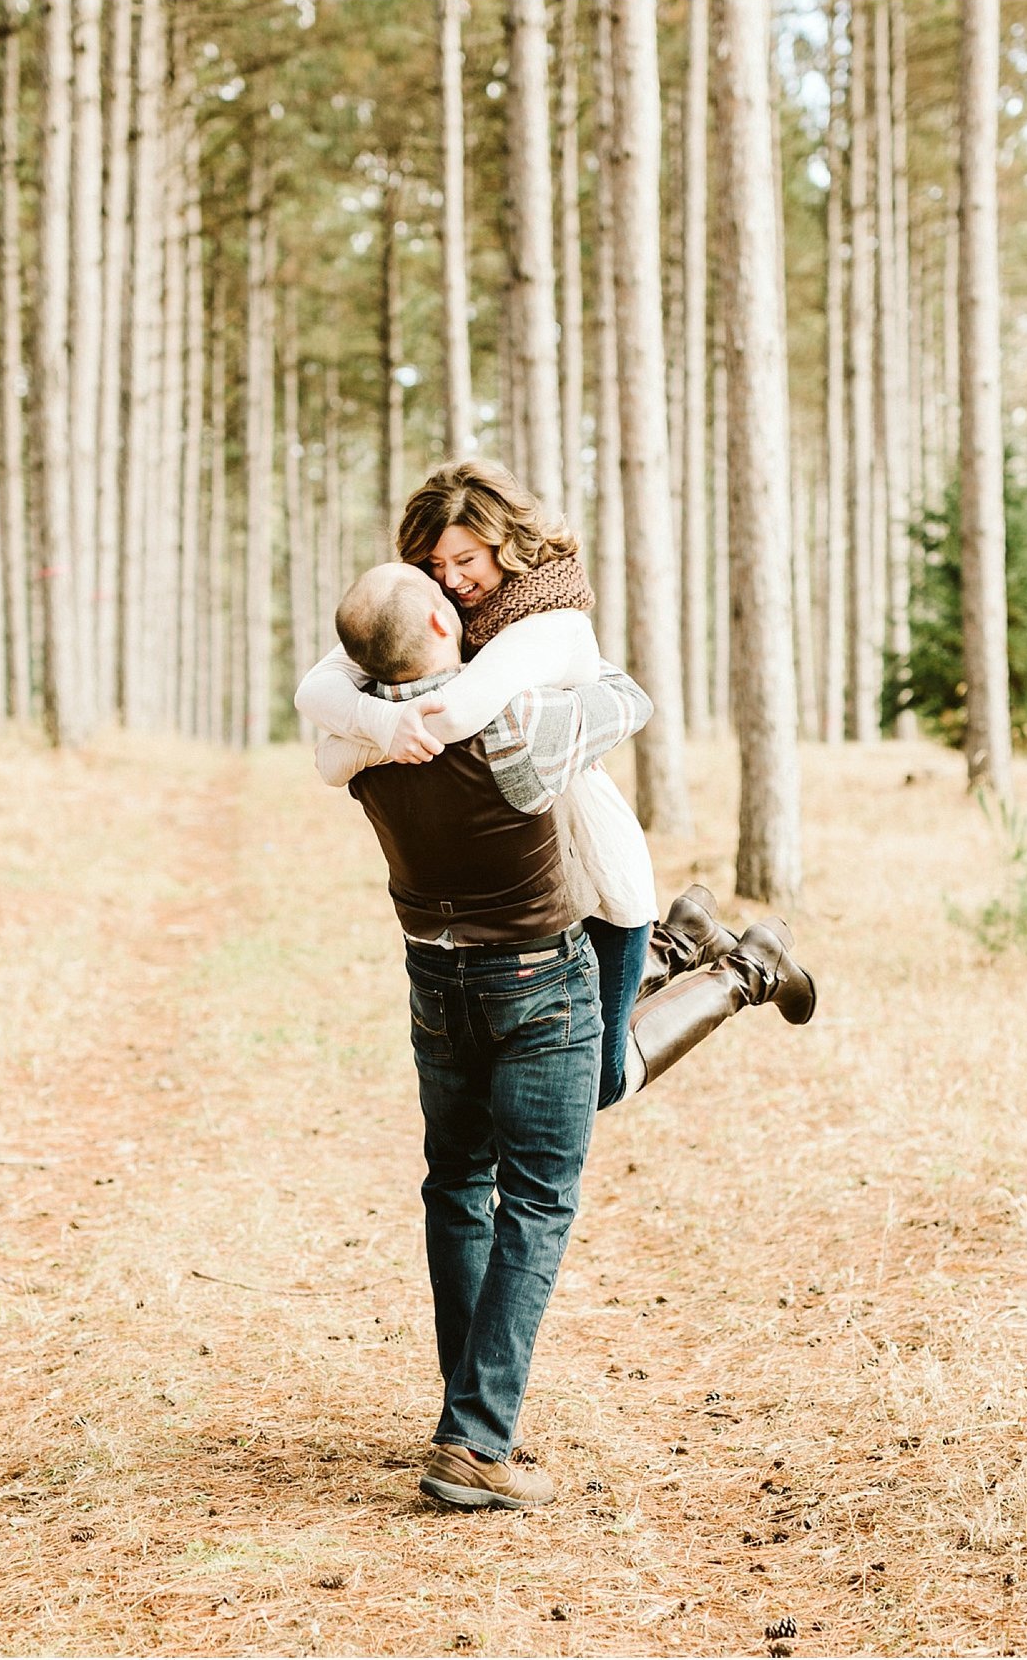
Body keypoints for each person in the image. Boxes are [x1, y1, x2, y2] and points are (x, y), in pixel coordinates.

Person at [315, 558, 812, 1512]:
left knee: (458, 1182)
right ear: (438, 613)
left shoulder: (354, 739)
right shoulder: (519, 721)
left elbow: (338, 694)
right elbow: (627, 698)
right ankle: (475, 1438)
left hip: (434, 974)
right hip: (539, 973)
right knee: (539, 1198)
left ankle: (466, 1413)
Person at [300, 459, 815, 1112]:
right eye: (433, 565)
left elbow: (451, 715)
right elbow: (314, 691)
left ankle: (745, 970)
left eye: (466, 558)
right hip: (519, 898)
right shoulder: (429, 614)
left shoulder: (543, 621)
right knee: (549, 1063)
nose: (451, 581)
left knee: (593, 1085)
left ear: (505, 544)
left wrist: (382, 720)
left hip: (591, 878)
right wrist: (384, 720)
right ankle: (681, 938)